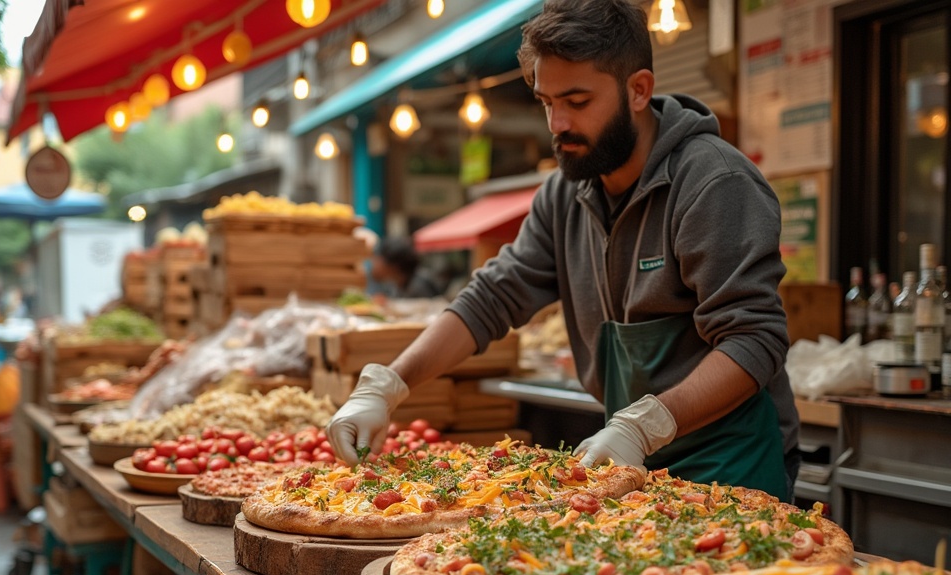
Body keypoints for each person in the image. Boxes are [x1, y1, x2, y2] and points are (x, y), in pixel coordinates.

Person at [327, 0, 800, 502]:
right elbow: (491, 298)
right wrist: (388, 384)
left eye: (577, 101)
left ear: (638, 90)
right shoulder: (564, 194)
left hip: (729, 461)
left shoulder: (712, 183)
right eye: (546, 101)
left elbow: (753, 339)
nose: (557, 124)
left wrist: (644, 426)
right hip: (631, 462)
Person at [367, 237, 446, 299]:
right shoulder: (395, 285)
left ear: (393, 265)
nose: (373, 263)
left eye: (377, 259)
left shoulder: (420, 286)